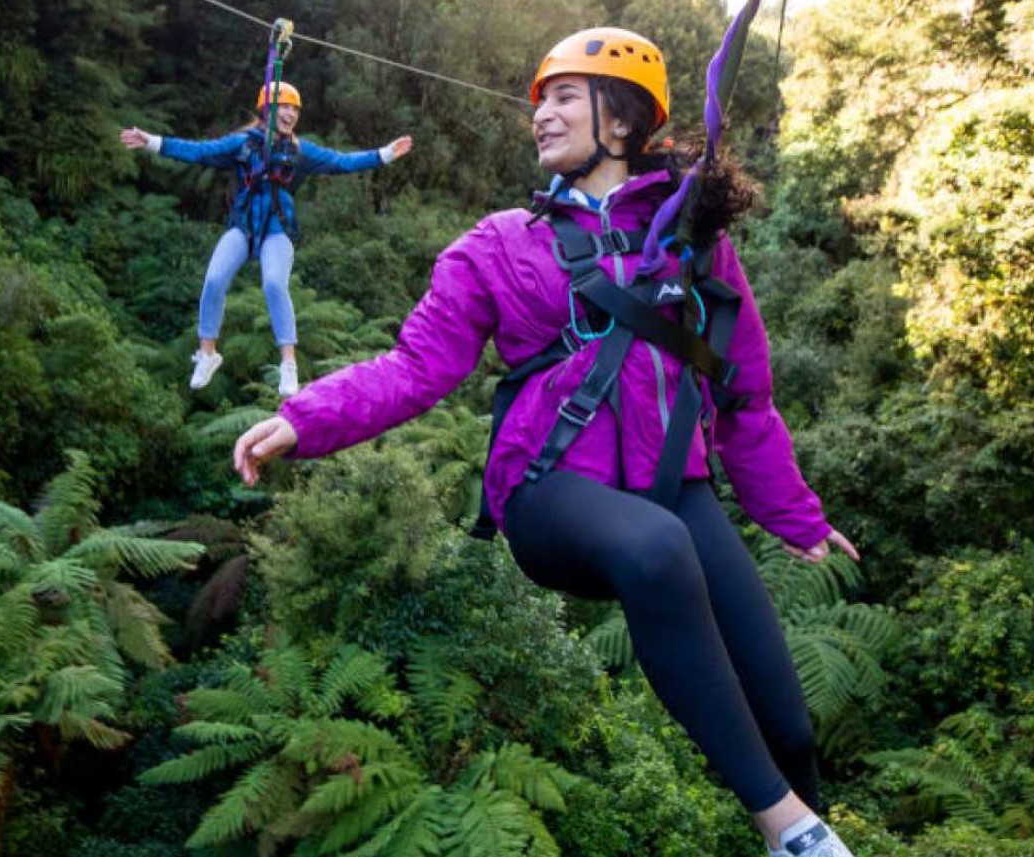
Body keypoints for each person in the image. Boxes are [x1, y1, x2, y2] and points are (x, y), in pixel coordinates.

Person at [229, 28, 862, 857]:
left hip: (677, 485)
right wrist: (307, 417)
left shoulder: (695, 245)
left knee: (787, 720)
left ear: (625, 122)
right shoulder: (497, 245)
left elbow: (744, 395)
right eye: (540, 100)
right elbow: (416, 366)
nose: (542, 114)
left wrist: (795, 515)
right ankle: (789, 830)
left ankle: (801, 819)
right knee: (656, 545)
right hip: (550, 485)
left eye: (566, 96)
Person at [120, 82, 414, 396]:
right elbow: (199, 152)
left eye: (294, 109)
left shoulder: (301, 151)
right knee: (214, 279)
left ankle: (289, 364)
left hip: (277, 230)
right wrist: (152, 141)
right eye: (283, 107)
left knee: (274, 283)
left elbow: (342, 162)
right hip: (243, 227)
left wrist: (384, 155)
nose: (290, 114)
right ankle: (207, 353)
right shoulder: (243, 144)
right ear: (267, 110)